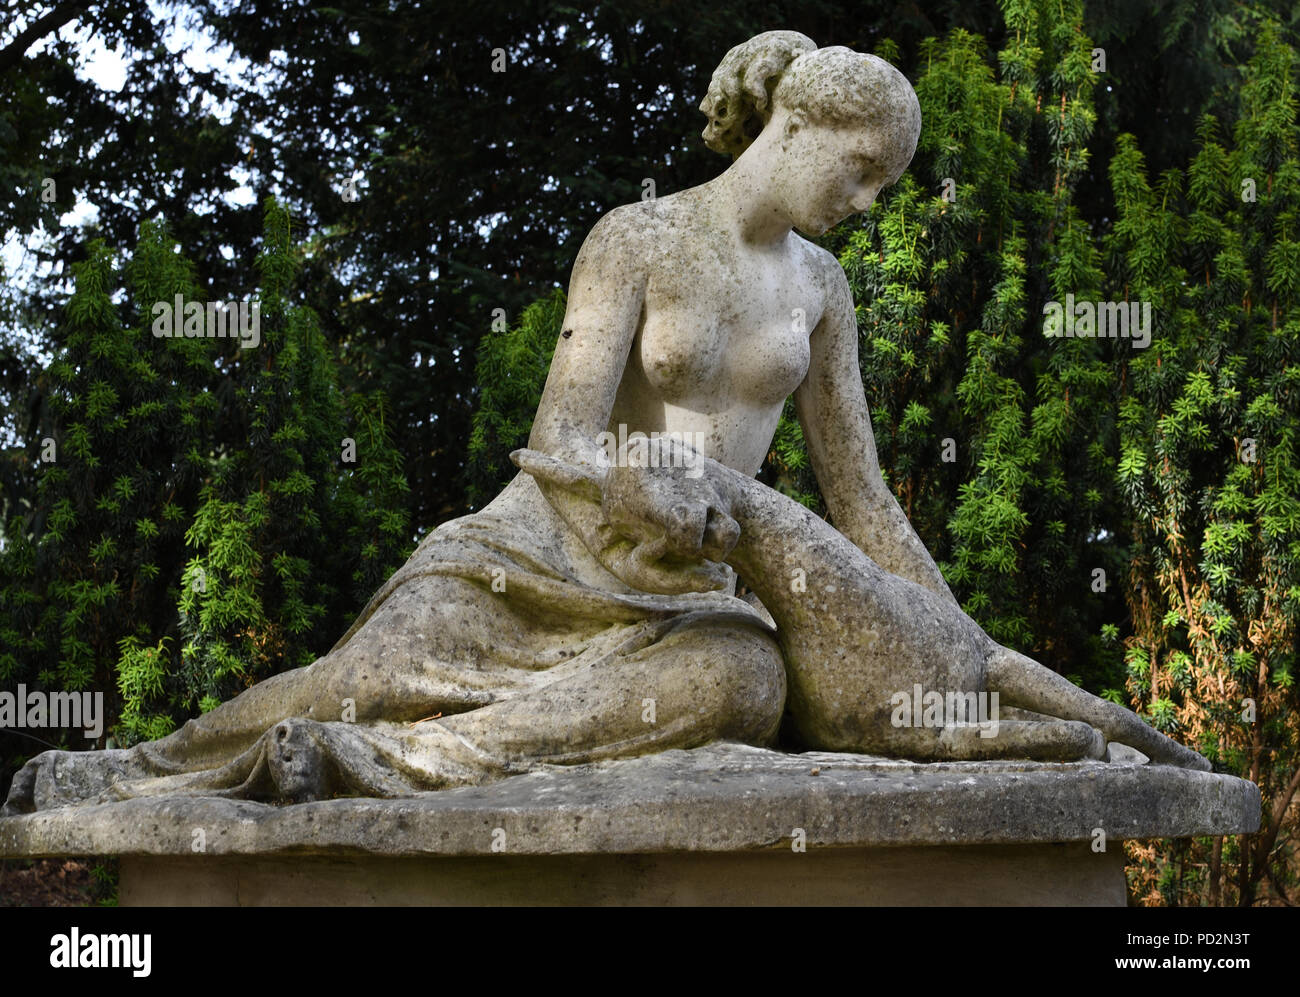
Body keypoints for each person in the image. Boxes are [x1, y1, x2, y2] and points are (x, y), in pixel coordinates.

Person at [3, 31, 1206, 815]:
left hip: (695, 590)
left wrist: (951, 652)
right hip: (548, 544)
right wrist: (632, 476)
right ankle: (138, 771)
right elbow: (562, 429)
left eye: (883, 182)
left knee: (737, 685)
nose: (869, 201)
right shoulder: (637, 239)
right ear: (795, 130)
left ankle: (390, 772)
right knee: (364, 671)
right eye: (860, 170)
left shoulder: (820, 292)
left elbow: (863, 499)